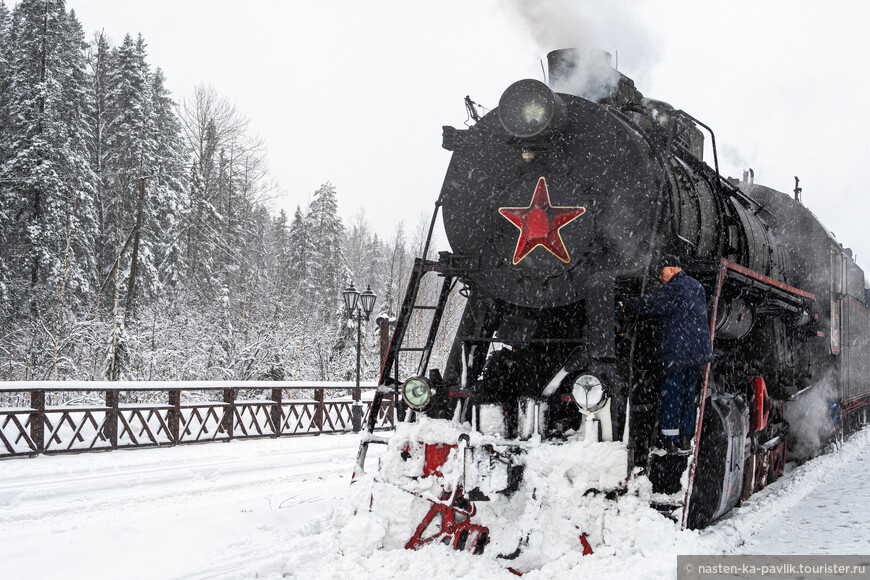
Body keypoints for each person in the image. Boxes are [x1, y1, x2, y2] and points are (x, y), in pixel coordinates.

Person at [622, 254, 713, 452]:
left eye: (662, 274)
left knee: (672, 395)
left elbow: (654, 303)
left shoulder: (675, 288)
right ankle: (684, 439)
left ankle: (669, 441)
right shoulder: (697, 286)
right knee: (689, 396)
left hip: (678, 353)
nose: (661, 278)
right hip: (697, 353)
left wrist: (627, 305)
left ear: (672, 269)